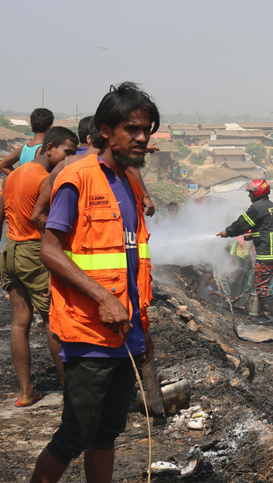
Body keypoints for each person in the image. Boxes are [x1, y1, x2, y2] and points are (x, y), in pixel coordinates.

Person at [29, 82, 157, 483]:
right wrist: (102, 297)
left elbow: (130, 262)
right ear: (105, 129)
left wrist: (143, 327)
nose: (141, 137)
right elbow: (50, 249)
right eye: (132, 129)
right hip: (89, 336)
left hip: (127, 334)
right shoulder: (78, 178)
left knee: (107, 433)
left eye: (146, 129)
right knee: (75, 435)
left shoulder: (130, 183)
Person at [2, 126, 78, 406]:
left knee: (19, 323)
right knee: (53, 320)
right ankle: (71, 393)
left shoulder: (14, 175)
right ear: (49, 149)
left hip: (10, 250)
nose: (69, 158)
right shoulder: (46, 180)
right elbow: (47, 223)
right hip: (35, 254)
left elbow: (1, 215)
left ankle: (25, 393)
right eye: (67, 152)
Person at [31, 117, 156, 230]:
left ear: (90, 138)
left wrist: (60, 241)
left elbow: (38, 215)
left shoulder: (63, 166)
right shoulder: (119, 175)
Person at [217, 179, 273, 325]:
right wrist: (252, 235)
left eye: (250, 193)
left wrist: (228, 231)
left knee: (261, 283)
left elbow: (241, 224)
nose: (249, 196)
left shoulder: (257, 208)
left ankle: (269, 318)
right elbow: (269, 228)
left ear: (257, 193)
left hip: (267, 253)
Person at [0, 108, 54, 175]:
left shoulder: (22, 149)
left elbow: (2, 165)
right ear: (50, 128)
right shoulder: (46, 150)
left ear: (31, 128)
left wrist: (18, 178)